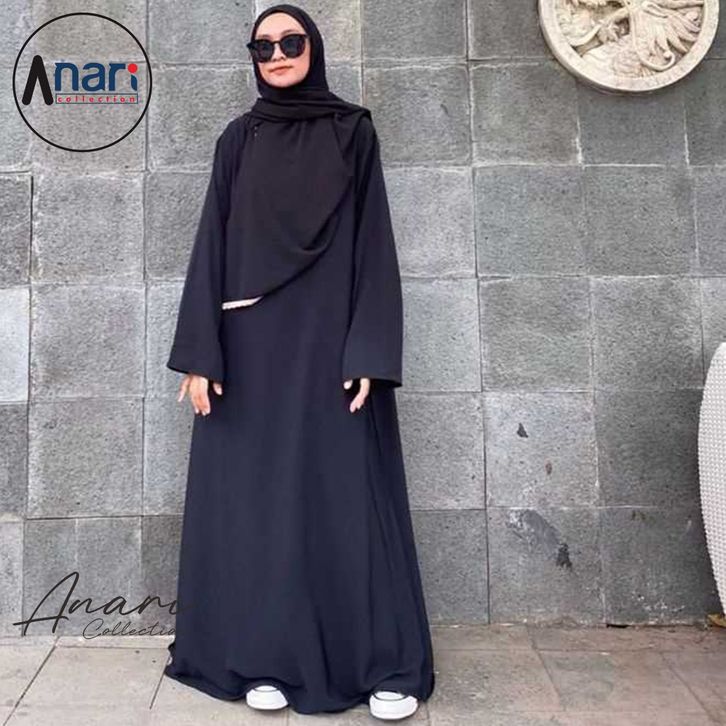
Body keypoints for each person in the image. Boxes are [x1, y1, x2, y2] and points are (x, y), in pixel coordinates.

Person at [162, 4, 435, 720]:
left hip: (331, 349)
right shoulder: (238, 139)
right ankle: (265, 659)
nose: (278, 54)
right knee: (258, 508)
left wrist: (369, 348)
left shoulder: (353, 131)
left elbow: (374, 242)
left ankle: (378, 663)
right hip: (249, 351)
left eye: (291, 41)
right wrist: (200, 356)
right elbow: (211, 244)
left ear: (313, 46)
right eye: (264, 46)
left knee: (343, 499)